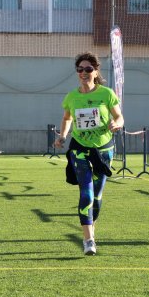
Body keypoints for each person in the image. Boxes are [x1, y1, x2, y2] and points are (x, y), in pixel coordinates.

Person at [54, 52, 124, 256]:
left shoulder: (106, 94)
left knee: (98, 196)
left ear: (95, 71)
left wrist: (116, 123)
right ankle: (88, 240)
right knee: (86, 193)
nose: (83, 73)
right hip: (80, 149)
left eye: (88, 69)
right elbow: (67, 118)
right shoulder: (71, 97)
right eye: (80, 70)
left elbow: (119, 117)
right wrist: (62, 136)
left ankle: (91, 227)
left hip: (103, 150)